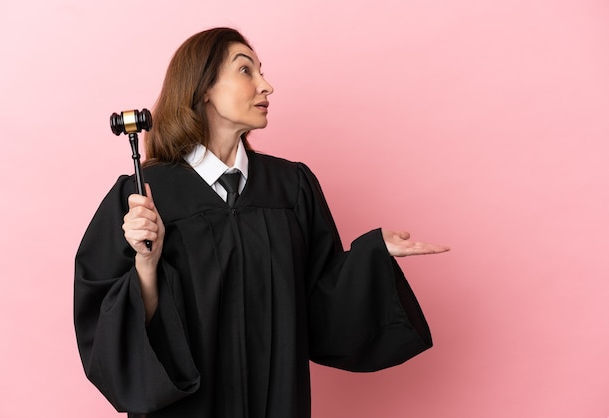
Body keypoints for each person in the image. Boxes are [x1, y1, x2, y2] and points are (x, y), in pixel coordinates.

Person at [74, 27, 449, 418]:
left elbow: (320, 302)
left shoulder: (291, 187)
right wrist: (146, 268)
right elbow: (109, 330)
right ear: (204, 88)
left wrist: (372, 255)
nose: (266, 86)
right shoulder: (145, 196)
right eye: (245, 71)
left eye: (261, 72)